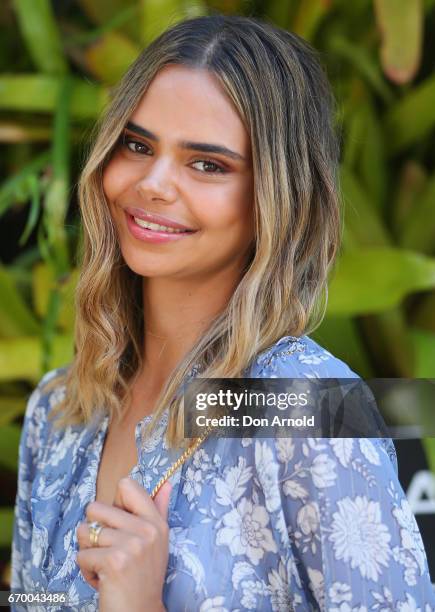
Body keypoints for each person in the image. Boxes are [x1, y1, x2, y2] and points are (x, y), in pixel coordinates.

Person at [10, 13, 435, 612]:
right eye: (137, 145)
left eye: (207, 164)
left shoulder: (306, 406)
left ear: (276, 198)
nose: (153, 183)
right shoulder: (59, 412)